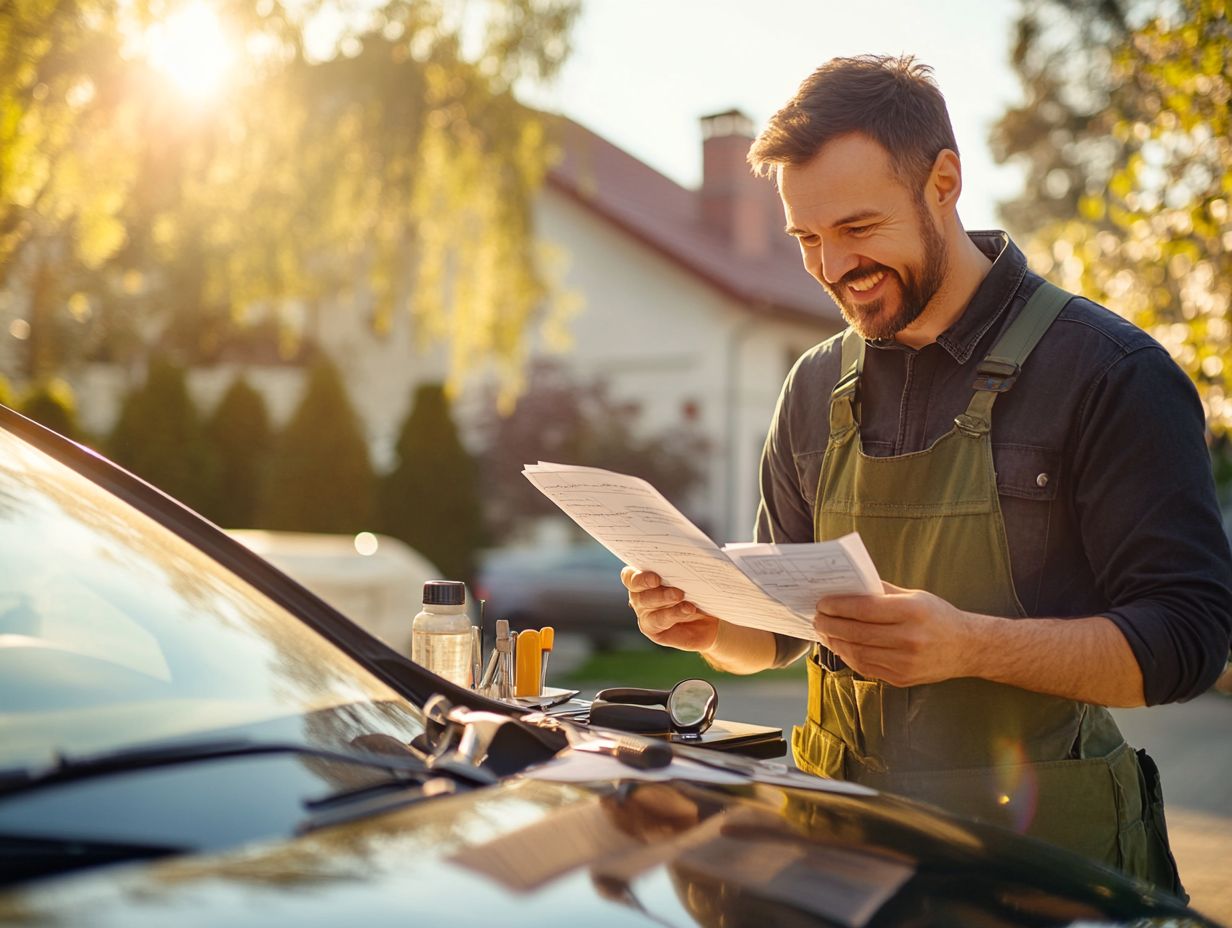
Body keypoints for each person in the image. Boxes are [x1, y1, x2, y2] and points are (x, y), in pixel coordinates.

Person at [621, 55, 1232, 894]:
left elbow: (1189, 642)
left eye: (859, 229)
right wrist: (705, 625)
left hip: (1045, 871)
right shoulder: (809, 389)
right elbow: (775, 634)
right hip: (837, 856)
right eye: (807, 239)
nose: (833, 267)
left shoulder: (1110, 372)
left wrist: (970, 644)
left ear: (943, 181)